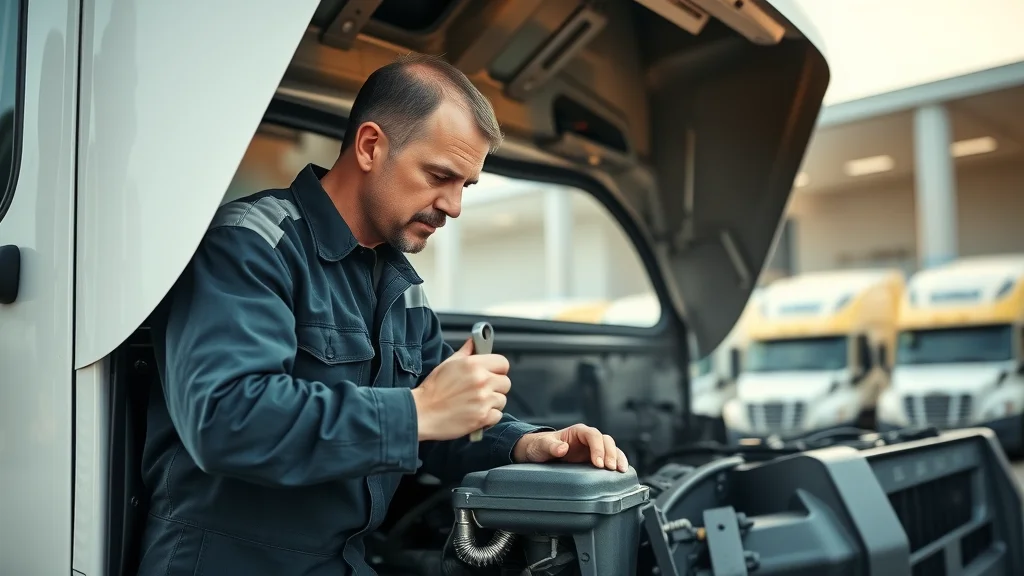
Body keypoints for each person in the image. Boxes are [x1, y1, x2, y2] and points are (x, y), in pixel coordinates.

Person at [136, 53, 629, 576]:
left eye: (467, 185)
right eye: (440, 175)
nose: (456, 206)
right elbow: (226, 419)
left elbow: (442, 420)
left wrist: (529, 445)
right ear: (371, 146)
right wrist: (416, 412)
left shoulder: (399, 286)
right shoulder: (252, 245)